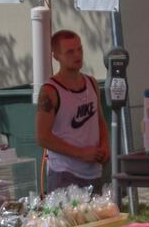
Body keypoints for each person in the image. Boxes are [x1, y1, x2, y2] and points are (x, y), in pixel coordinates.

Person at [36, 30, 109, 193]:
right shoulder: (50, 91)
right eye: (70, 52)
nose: (77, 55)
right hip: (65, 173)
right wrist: (80, 153)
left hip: (94, 170)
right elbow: (42, 137)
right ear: (56, 56)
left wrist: (105, 145)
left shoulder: (91, 83)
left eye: (79, 49)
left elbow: (99, 121)